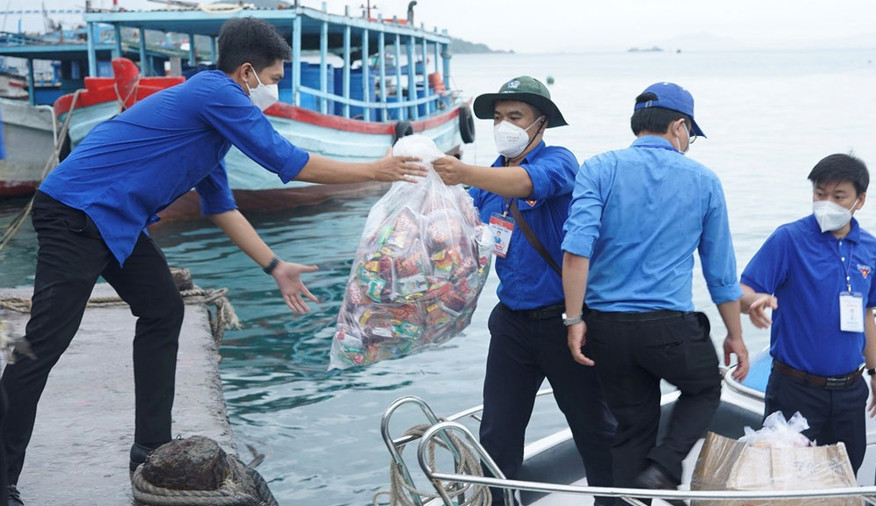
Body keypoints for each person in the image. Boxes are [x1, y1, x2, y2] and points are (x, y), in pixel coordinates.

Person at [1, 17, 425, 504]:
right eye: (272, 79)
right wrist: (376, 168)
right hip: (76, 211)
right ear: (246, 72)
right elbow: (288, 162)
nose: (274, 90)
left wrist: (275, 266)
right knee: (43, 345)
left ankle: (150, 447)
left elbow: (221, 206)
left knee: (163, 309)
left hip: (113, 219)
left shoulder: (211, 120)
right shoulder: (216, 94)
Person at [561, 81, 749, 503]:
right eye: (691, 135)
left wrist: (574, 321)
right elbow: (720, 273)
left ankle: (637, 492)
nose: (689, 143)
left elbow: (575, 253)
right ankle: (665, 465)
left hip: (606, 330)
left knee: (631, 429)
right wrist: (734, 335)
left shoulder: (599, 168)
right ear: (679, 126)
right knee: (704, 389)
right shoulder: (704, 181)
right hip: (669, 330)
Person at [433, 76, 616, 506]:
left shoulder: (561, 161)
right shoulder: (487, 178)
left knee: (593, 427)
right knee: (498, 428)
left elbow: (528, 184)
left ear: (541, 123)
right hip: (511, 323)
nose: (504, 125)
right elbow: (460, 224)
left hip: (565, 323)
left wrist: (462, 170)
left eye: (515, 116)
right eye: (498, 117)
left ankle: (614, 501)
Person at [740, 153, 876, 474]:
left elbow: (866, 314)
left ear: (859, 201)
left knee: (842, 477)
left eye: (839, 197)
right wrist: (754, 300)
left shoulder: (869, 247)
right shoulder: (789, 239)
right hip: (795, 390)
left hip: (851, 391)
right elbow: (742, 290)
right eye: (820, 194)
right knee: (785, 480)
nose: (827, 203)